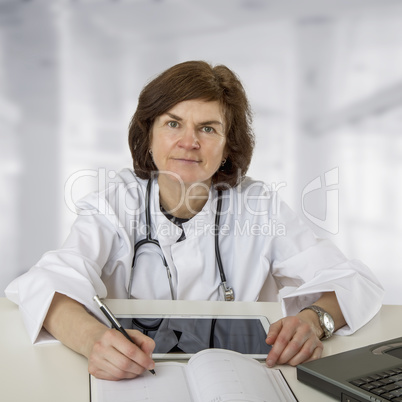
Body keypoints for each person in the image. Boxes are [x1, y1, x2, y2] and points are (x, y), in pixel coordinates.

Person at [6, 60, 383, 381]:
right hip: (137, 380)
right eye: (173, 124)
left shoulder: (258, 204)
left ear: (227, 147)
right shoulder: (115, 201)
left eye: (208, 128)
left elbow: (353, 280)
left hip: (240, 378)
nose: (189, 142)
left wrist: (314, 320)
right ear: (148, 135)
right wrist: (93, 341)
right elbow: (46, 285)